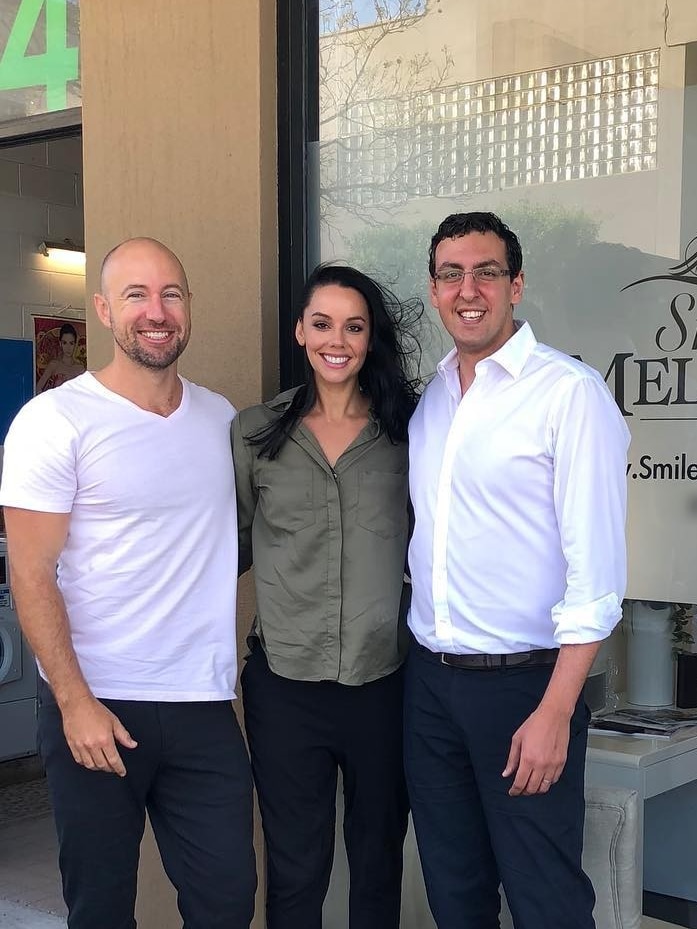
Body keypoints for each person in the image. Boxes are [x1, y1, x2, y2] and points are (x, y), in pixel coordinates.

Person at [0, 237, 256, 929]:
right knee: (102, 907)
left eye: (171, 294)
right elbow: (30, 571)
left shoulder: (220, 418)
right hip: (97, 706)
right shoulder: (54, 421)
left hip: (201, 705)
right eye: (137, 295)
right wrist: (76, 703)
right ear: (105, 310)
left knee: (227, 899)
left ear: (188, 309)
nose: (157, 311)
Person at [404, 212, 630, 929]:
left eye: (486, 272)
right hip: (430, 685)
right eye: (450, 274)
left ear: (516, 285)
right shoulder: (431, 399)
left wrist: (555, 711)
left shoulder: (568, 393)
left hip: (526, 688)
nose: (467, 289)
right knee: (454, 889)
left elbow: (595, 578)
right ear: (434, 289)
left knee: (545, 897)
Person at [232, 263, 420, 929]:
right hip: (285, 687)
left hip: (384, 683)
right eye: (321, 323)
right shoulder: (256, 431)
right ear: (299, 332)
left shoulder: (408, 433)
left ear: (370, 339)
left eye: (353, 325)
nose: (335, 339)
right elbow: (227, 549)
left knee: (376, 860)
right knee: (294, 866)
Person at [36, 322, 86, 392]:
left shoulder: (80, 369)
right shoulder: (54, 365)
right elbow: (39, 387)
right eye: (64, 343)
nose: (68, 348)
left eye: (71, 343)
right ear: (60, 343)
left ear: (75, 344)